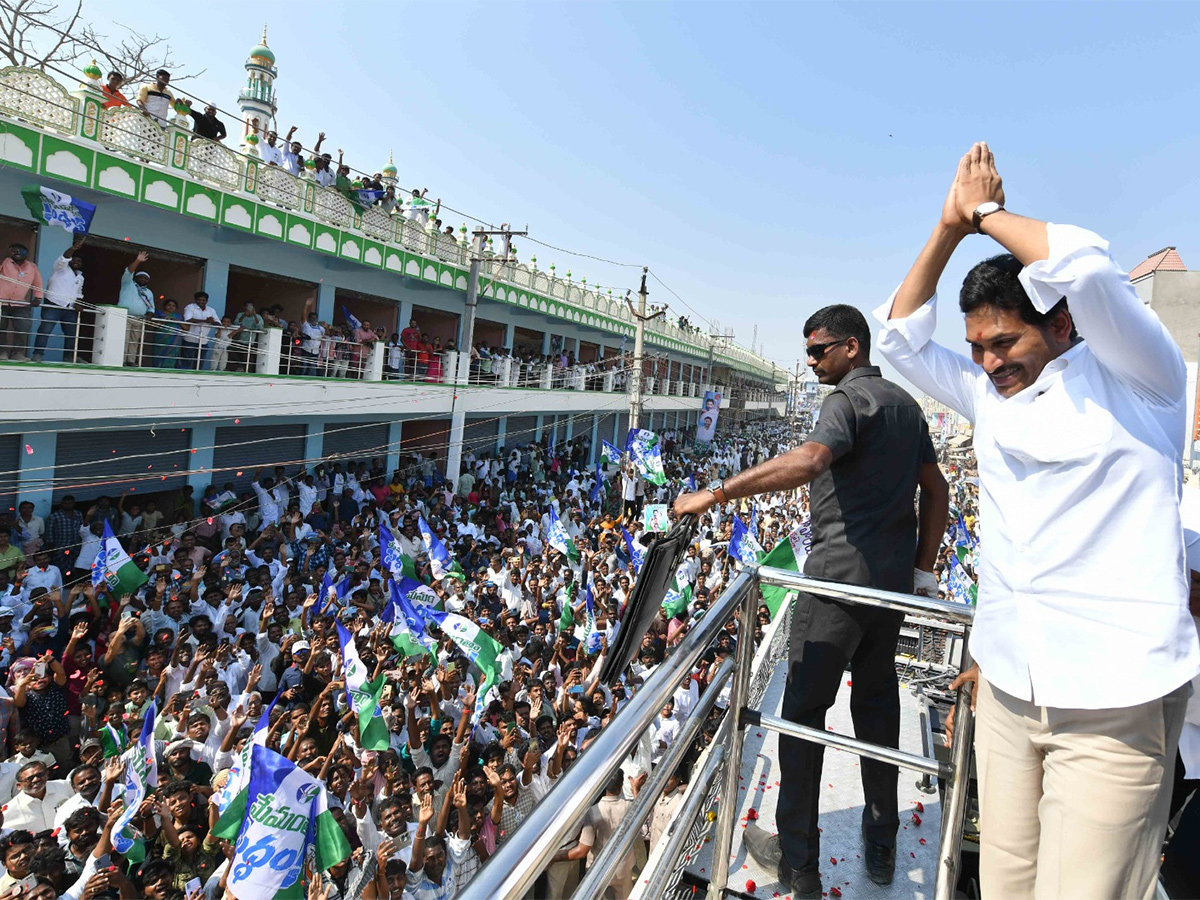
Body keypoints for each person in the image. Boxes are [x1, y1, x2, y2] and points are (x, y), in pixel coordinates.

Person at [876, 142, 1199, 899]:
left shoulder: (1143, 383)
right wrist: (946, 227)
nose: (988, 363)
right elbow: (896, 337)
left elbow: (1085, 268)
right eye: (977, 349)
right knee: (1005, 884)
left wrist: (986, 214)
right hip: (1009, 687)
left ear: (1061, 327)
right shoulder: (990, 396)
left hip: (1114, 704)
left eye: (1004, 342)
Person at [674, 304, 947, 898]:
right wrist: (921, 569)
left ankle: (800, 862)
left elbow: (811, 460)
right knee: (877, 711)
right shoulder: (905, 405)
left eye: (819, 350)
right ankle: (881, 843)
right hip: (890, 587)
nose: (811, 361)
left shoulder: (847, 401)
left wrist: (715, 493)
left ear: (852, 347)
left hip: (836, 586)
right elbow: (937, 489)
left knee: (802, 717)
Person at [33, 232, 86, 363]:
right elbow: (64, 257)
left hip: (70, 308)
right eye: (74, 259)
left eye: (79, 261)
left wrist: (78, 303)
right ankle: (37, 355)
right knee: (45, 330)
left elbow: (79, 293)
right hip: (53, 304)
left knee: (72, 334)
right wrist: (73, 248)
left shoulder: (80, 277)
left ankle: (69, 357)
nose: (76, 262)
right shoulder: (60, 268)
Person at [0, 242, 43, 361]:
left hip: (20, 304)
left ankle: (17, 353)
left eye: (20, 250)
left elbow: (38, 283)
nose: (17, 252)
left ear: (26, 253)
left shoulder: (32, 267)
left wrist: (38, 298)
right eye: (14, 250)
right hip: (1, 302)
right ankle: (1, 352)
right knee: (1, 328)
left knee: (23, 328)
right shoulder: (5, 262)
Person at [116, 250, 153, 366]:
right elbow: (129, 271)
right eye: (141, 277)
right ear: (135, 277)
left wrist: (149, 316)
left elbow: (151, 308)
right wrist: (138, 261)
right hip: (125, 316)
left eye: (146, 278)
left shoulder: (149, 292)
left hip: (139, 319)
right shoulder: (128, 284)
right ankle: (120, 360)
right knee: (124, 339)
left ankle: (130, 361)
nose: (143, 280)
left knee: (134, 341)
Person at [179, 291, 221, 370]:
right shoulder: (190, 307)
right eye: (199, 300)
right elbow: (188, 320)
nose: (201, 302)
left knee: (199, 364)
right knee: (186, 363)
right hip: (189, 339)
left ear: (207, 300)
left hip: (203, 341)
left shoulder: (211, 310)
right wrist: (205, 320)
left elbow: (218, 323)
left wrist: (212, 322)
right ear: (195, 300)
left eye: (203, 300)